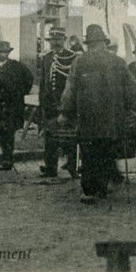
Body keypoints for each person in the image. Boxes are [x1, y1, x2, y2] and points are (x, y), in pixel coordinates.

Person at [58, 24, 134, 205]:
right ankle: (102, 187)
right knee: (107, 150)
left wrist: (65, 112)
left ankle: (90, 191)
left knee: (89, 153)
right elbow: (131, 88)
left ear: (89, 43)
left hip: (88, 117)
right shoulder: (119, 62)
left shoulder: (80, 62)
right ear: (104, 43)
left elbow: (70, 90)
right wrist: (130, 107)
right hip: (112, 118)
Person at [39, 27, 78, 178]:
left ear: (64, 40)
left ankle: (73, 167)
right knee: (50, 136)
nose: (55, 42)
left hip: (66, 103)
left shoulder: (72, 57)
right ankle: (50, 169)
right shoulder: (46, 58)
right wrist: (43, 102)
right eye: (52, 40)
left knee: (71, 136)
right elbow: (44, 82)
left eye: (58, 39)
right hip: (50, 104)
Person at [0, 41, 35, 171]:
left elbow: (29, 78)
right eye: (1, 52)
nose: (3, 54)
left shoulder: (17, 66)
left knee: (9, 131)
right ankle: (5, 155)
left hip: (12, 105)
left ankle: (7, 159)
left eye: (5, 52)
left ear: (9, 53)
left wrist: (21, 93)